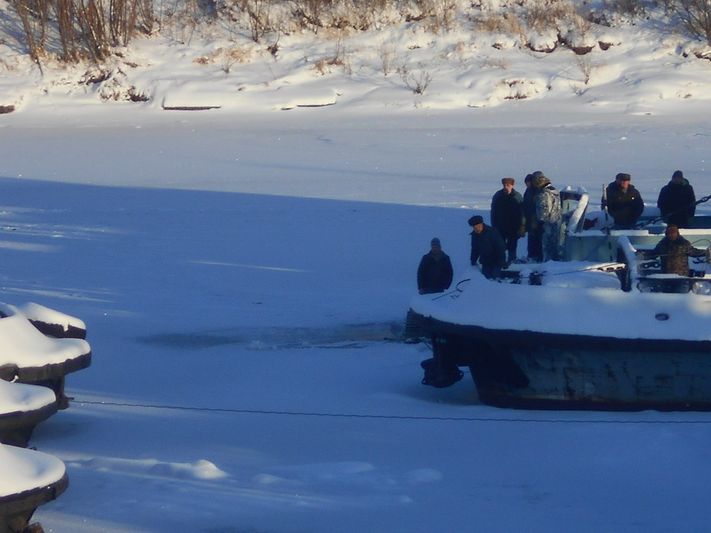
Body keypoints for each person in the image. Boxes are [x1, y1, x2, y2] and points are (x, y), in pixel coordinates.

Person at [490, 177, 525, 264]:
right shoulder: (498, 196)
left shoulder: (517, 196)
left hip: (513, 227)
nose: (506, 187)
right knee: (500, 246)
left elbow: (522, 213)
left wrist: (522, 226)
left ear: (512, 185)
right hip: (500, 226)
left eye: (508, 185)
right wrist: (494, 226)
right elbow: (493, 212)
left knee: (512, 246)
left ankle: (511, 262)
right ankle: (500, 263)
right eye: (504, 185)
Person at [532, 171, 562, 261]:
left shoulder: (544, 193)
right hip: (556, 221)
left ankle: (548, 263)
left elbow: (544, 210)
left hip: (548, 223)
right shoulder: (555, 191)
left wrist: (540, 222)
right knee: (554, 245)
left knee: (547, 246)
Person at [468, 215, 506, 279]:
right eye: (474, 227)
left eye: (478, 226)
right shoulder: (474, 235)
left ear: (482, 224)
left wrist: (502, 262)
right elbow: (475, 249)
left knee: (494, 280)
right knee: (485, 280)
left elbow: (501, 248)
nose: (476, 228)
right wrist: (473, 260)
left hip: (496, 261)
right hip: (485, 262)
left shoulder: (492, 232)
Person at [522, 173, 542, 262]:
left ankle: (536, 256)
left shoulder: (537, 191)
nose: (527, 184)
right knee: (531, 239)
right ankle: (531, 255)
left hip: (536, 220)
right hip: (530, 219)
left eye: (528, 182)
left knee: (536, 239)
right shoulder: (528, 191)